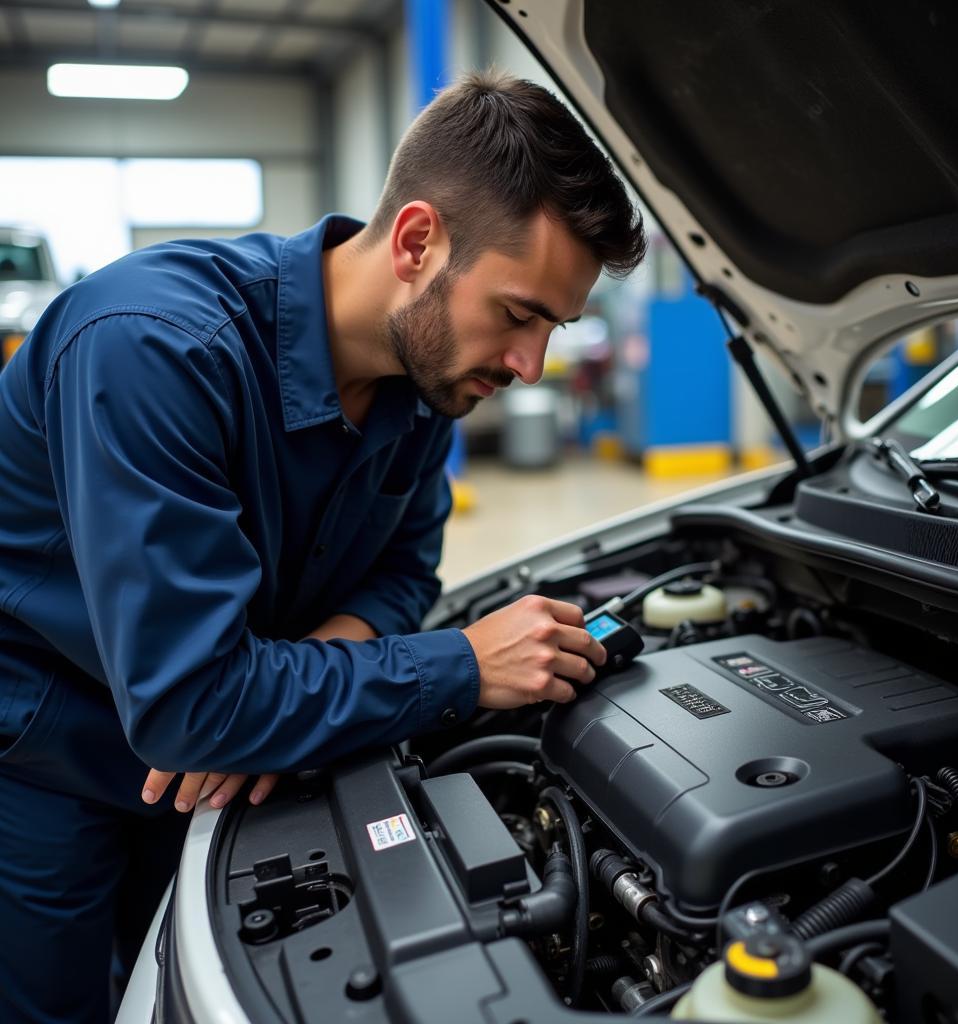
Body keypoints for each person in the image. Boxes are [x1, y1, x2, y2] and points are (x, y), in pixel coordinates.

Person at [0, 70, 646, 1023]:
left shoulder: (428, 383)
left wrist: (309, 666)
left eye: (553, 327)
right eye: (518, 314)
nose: (529, 366)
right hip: (52, 749)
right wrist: (459, 666)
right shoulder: (153, 349)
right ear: (419, 241)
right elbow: (190, 705)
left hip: (237, 755)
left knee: (160, 980)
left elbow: (403, 567)